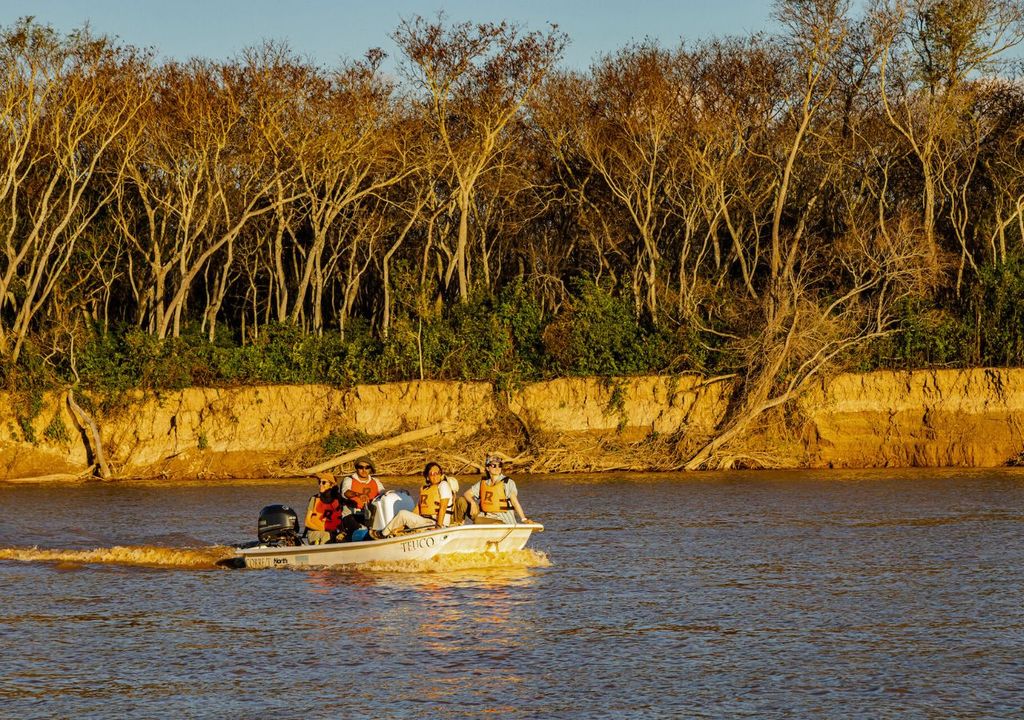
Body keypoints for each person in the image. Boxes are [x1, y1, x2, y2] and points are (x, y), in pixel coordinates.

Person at [372, 461, 462, 539]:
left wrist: (438, 527)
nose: (435, 476)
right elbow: (417, 511)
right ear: (427, 477)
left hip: (437, 523)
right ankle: (386, 533)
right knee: (403, 514)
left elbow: (443, 508)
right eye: (432, 473)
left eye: (437, 473)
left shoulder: (443, 485)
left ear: (441, 474)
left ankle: (382, 534)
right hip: (424, 522)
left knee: (404, 515)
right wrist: (403, 527)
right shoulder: (425, 489)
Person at [464, 455, 531, 525]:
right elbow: (467, 494)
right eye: (494, 465)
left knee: (478, 520)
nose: (497, 468)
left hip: (502, 519)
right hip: (485, 517)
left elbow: (515, 502)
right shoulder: (483, 482)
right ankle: (459, 524)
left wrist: (524, 519)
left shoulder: (507, 482)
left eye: (500, 465)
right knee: (462, 501)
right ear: (487, 468)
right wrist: (472, 502)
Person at [340, 456, 385, 537]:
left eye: (367, 467)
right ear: (356, 468)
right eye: (360, 467)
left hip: (370, 516)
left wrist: (398, 493)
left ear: (370, 469)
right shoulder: (349, 480)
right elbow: (345, 492)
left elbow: (384, 495)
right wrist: (358, 494)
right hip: (351, 516)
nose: (364, 470)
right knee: (362, 531)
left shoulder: (376, 481)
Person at [304, 472, 343, 544]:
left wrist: (341, 532)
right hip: (315, 532)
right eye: (319, 482)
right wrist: (323, 529)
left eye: (324, 482)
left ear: (331, 485)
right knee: (327, 535)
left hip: (332, 532)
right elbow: (307, 523)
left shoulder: (338, 500)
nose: (320, 485)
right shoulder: (314, 499)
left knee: (343, 537)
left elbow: (339, 520)